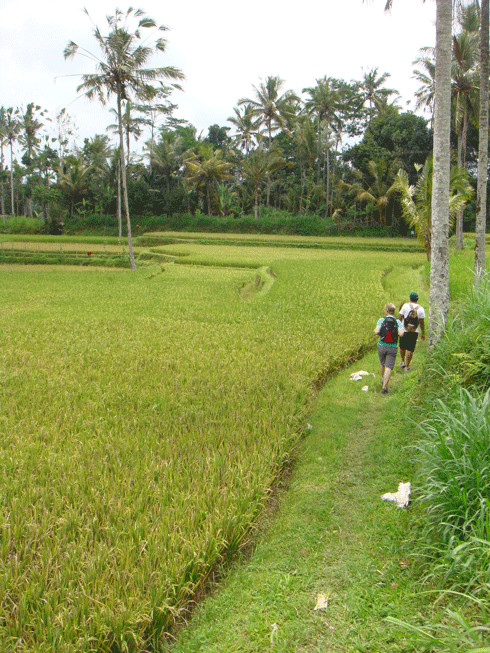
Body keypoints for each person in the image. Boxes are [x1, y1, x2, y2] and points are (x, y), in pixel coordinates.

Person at [374, 303, 404, 394]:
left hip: (382, 345)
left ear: (386, 311)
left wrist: (381, 333)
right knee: (389, 366)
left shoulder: (381, 320)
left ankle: (383, 379)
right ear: (393, 312)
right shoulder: (398, 322)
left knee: (382, 364)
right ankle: (384, 387)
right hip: (392, 347)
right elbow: (401, 334)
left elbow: (376, 331)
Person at [398, 292, 426, 371]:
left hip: (404, 329)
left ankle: (402, 361)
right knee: (410, 349)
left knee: (402, 346)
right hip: (414, 331)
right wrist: (423, 333)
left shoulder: (405, 306)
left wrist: (398, 327)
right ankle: (407, 366)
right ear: (417, 299)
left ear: (410, 298)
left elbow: (400, 317)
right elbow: (421, 322)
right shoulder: (420, 309)